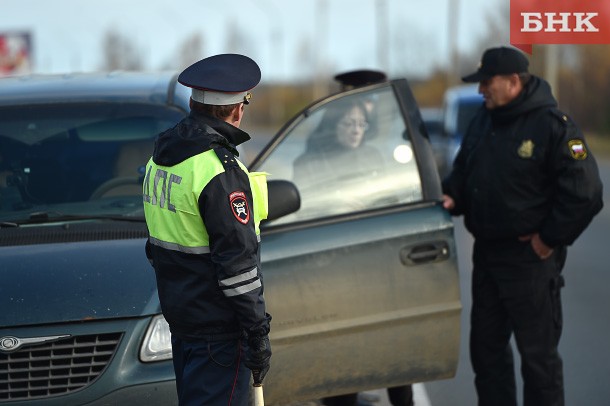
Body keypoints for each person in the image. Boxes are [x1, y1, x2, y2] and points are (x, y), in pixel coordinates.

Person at [442, 46, 604, 406]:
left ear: (513, 82)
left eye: (487, 82)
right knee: (486, 357)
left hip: (529, 261)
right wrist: (453, 195)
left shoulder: (553, 126)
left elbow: (587, 190)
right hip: (487, 259)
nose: (481, 90)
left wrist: (549, 238)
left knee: (538, 363)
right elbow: (465, 172)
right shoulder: (483, 121)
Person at [142, 53, 272, 406]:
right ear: (238, 109)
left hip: (184, 321)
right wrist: (257, 331)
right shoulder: (219, 170)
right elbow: (238, 268)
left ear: (192, 101)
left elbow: (158, 244)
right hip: (219, 332)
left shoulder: (162, 156)